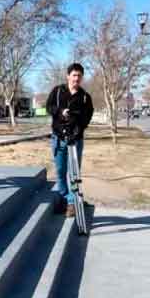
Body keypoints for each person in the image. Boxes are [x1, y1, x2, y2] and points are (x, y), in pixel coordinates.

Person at [46, 63, 94, 217]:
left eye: (79, 76)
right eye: (74, 75)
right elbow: (49, 107)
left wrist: (78, 129)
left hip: (75, 140)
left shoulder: (85, 97)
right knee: (60, 171)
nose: (76, 78)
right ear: (68, 76)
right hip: (58, 138)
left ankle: (73, 203)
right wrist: (60, 112)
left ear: (82, 78)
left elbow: (87, 118)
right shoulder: (58, 91)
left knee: (73, 173)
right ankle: (64, 198)